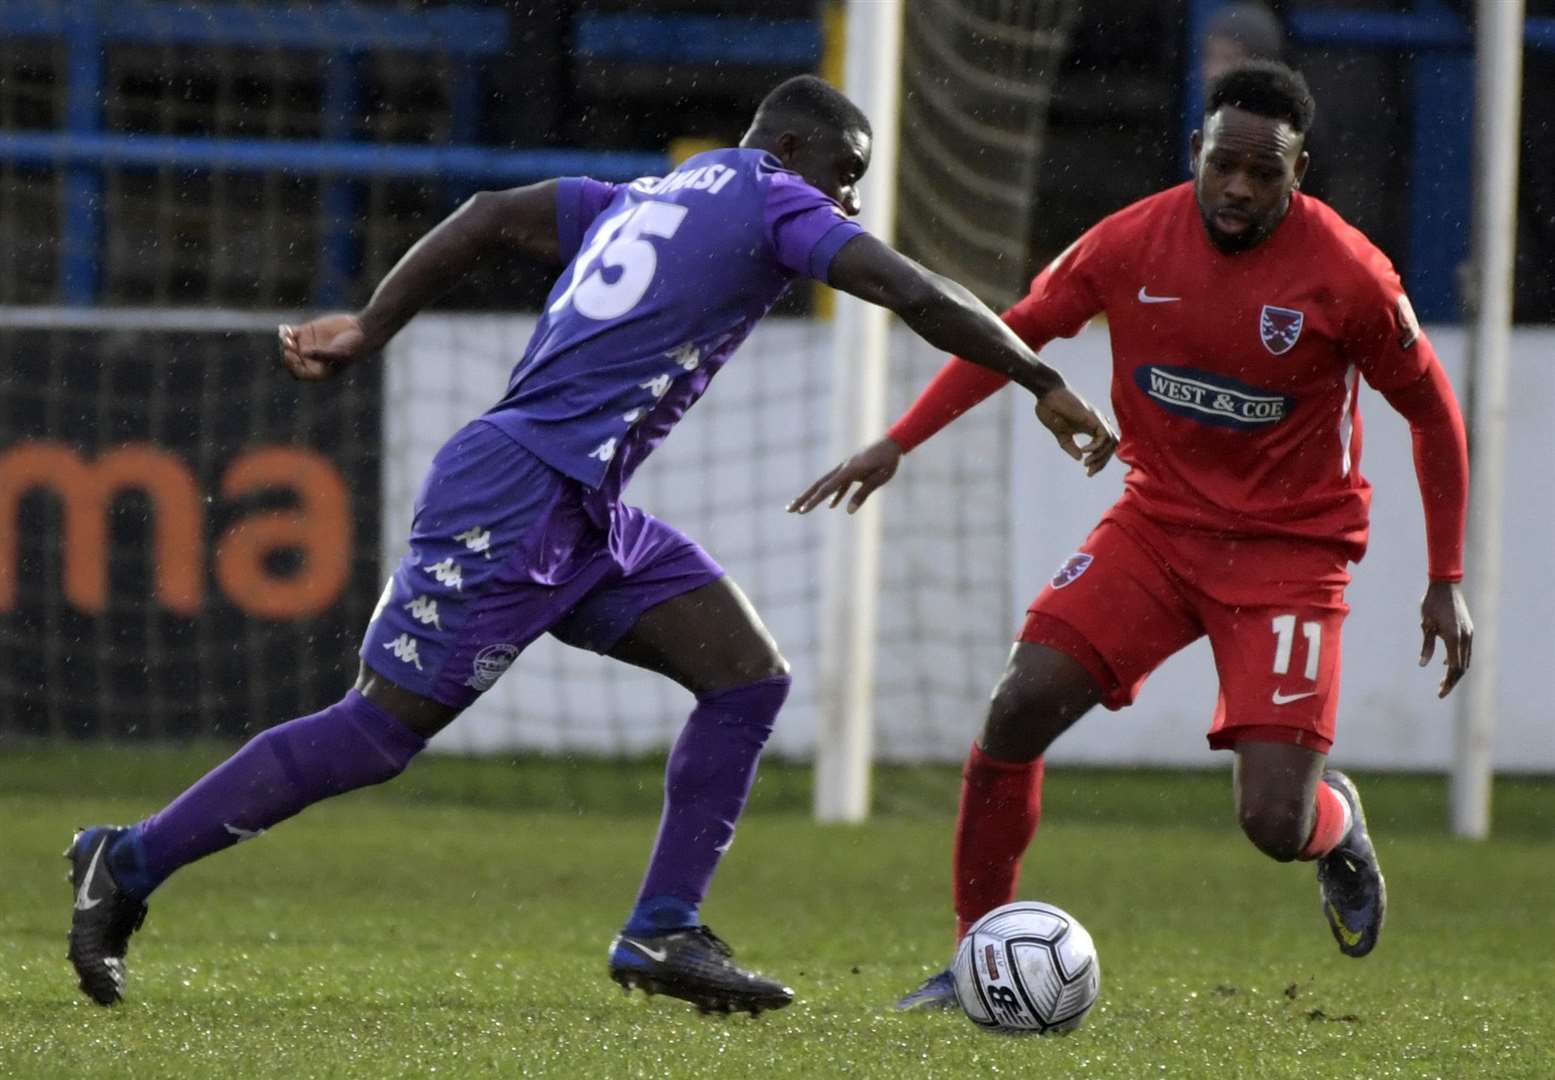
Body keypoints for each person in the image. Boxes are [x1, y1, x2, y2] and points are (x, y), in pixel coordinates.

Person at [64, 75, 1116, 1013]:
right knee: (378, 732)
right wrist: (1042, 379)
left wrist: (373, 325)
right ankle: (128, 860)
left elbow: (484, 216)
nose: (842, 205)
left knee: (746, 675)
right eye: (843, 178)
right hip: (518, 490)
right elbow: (916, 293)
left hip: (585, 509)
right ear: (789, 152)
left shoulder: (644, 193)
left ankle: (662, 930)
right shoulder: (769, 195)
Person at [790, 61, 1472, 1011]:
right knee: (1017, 708)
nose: (1237, 189)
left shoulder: (1349, 276)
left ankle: (1335, 818)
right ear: (1195, 152)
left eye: (1262, 174)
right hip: (1155, 529)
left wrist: (1444, 574)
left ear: (1297, 171)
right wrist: (898, 441)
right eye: (1222, 164)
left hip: (1290, 556)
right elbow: (1018, 329)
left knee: (1273, 822)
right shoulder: (1127, 244)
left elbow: (1433, 414)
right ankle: (971, 955)